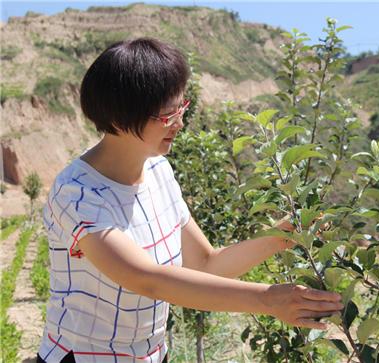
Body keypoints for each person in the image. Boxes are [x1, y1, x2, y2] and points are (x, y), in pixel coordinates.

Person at [36, 37, 343, 363]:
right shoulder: (78, 194)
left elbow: (206, 264)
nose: (179, 122)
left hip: (151, 355)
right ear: (118, 117)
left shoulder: (158, 170)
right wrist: (268, 299)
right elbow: (147, 279)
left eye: (181, 108)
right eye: (167, 114)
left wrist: (283, 236)